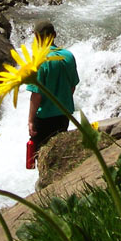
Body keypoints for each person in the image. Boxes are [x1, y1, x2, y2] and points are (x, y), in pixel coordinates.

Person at [25, 19, 79, 163]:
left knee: (42, 156)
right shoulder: (68, 56)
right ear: (54, 34)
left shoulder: (39, 60)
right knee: (59, 154)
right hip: (63, 115)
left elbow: (36, 94)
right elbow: (72, 86)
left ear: (36, 38)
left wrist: (30, 121)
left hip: (44, 118)